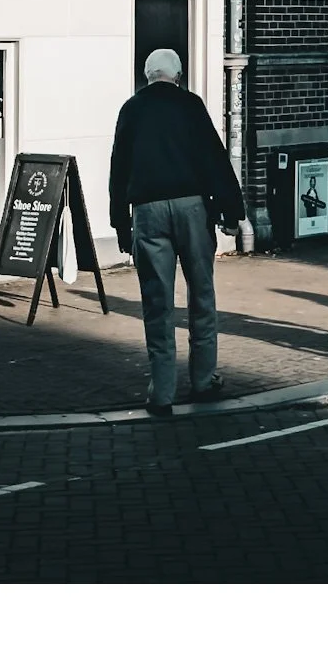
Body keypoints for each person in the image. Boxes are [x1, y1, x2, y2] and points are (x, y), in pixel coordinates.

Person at [108, 49, 246, 417]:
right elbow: (216, 158)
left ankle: (163, 391)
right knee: (201, 293)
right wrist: (234, 212)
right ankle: (203, 380)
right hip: (192, 208)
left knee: (157, 302)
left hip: (148, 211)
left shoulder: (131, 110)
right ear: (178, 76)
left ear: (147, 76)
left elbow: (118, 169)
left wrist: (121, 224)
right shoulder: (191, 105)